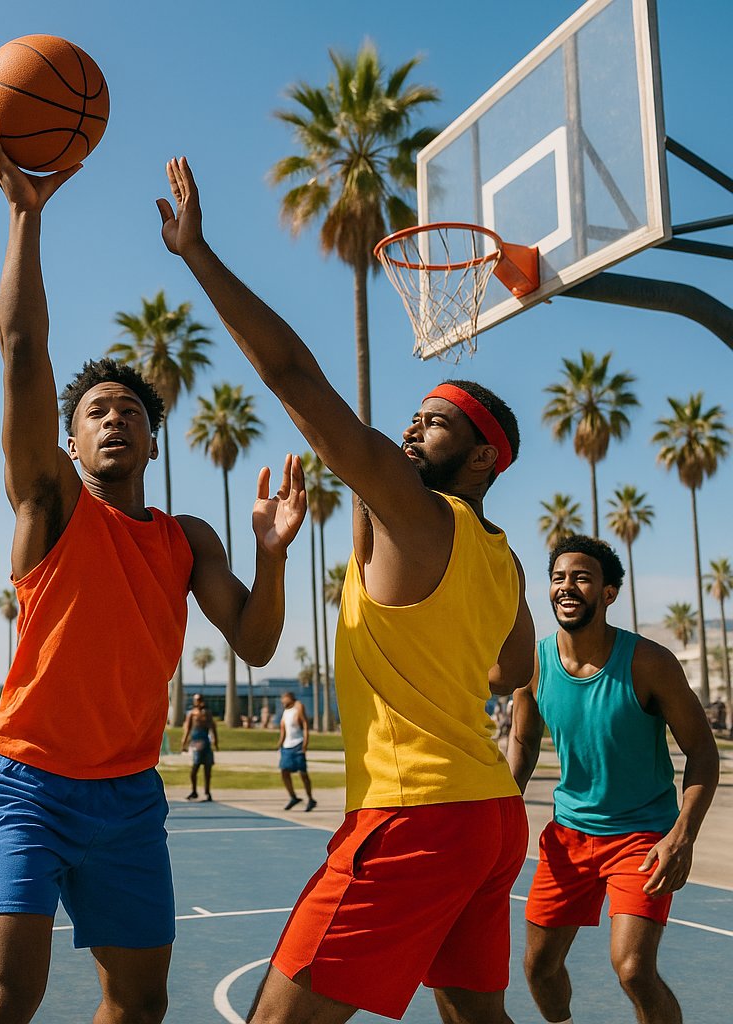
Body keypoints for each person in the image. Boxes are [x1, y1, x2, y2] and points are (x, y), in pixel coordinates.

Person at [0, 123, 306, 1024]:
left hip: (128, 796)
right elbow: (20, 350)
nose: (114, 418)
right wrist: (25, 217)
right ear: (72, 436)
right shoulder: (50, 505)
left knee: (139, 1002)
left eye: (130, 408)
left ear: (151, 438)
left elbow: (253, 643)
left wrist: (272, 556)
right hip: (28, 779)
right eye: (95, 410)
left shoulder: (188, 537)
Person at [160, 156, 535, 1024]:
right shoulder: (502, 557)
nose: (411, 426)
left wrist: (199, 256)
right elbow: (509, 669)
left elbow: (295, 379)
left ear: (481, 457)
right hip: (486, 819)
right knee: (479, 1017)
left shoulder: (417, 514)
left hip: (416, 815)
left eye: (434, 422)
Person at [508, 536, 719, 1024]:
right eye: (559, 578)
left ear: (609, 593)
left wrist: (682, 835)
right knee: (539, 970)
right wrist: (497, 807)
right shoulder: (534, 664)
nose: (567, 587)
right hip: (568, 837)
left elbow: (703, 752)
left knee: (633, 970)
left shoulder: (649, 662)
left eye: (581, 577)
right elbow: (523, 741)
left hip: (642, 837)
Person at [277, 692, 314, 811]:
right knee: (284, 772)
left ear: (290, 698)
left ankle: (310, 798)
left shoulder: (298, 707)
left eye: (284, 698)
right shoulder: (285, 712)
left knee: (303, 773)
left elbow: (305, 724)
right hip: (287, 747)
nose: (282, 700)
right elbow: (283, 729)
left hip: (298, 744)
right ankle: (293, 797)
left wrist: (305, 743)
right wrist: (280, 744)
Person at [181, 693, 218, 801]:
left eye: (200, 699)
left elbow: (213, 728)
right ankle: (194, 791)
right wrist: (184, 743)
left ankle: (207, 792)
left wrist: (215, 741)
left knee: (207, 769)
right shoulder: (192, 713)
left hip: (206, 742)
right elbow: (187, 729)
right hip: (196, 743)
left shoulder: (207, 713)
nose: (198, 702)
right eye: (197, 700)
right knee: (194, 769)